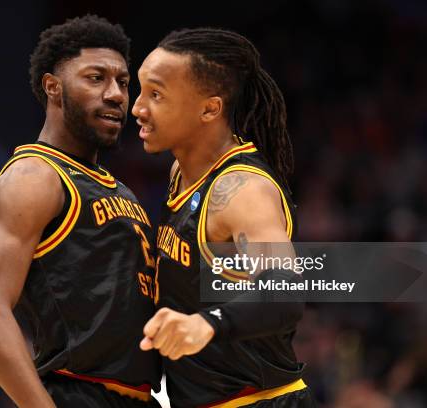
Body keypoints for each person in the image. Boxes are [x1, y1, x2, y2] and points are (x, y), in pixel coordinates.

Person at [0, 15, 160, 408]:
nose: (117, 94)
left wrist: (289, 272)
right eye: (95, 78)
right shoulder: (34, 176)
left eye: (122, 81)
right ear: (53, 87)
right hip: (78, 392)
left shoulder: (118, 188)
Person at [132, 28, 316, 407]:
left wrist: (206, 323)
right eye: (140, 91)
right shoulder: (181, 172)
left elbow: (286, 295)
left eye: (156, 95)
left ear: (209, 108)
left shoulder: (242, 191)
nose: (137, 108)